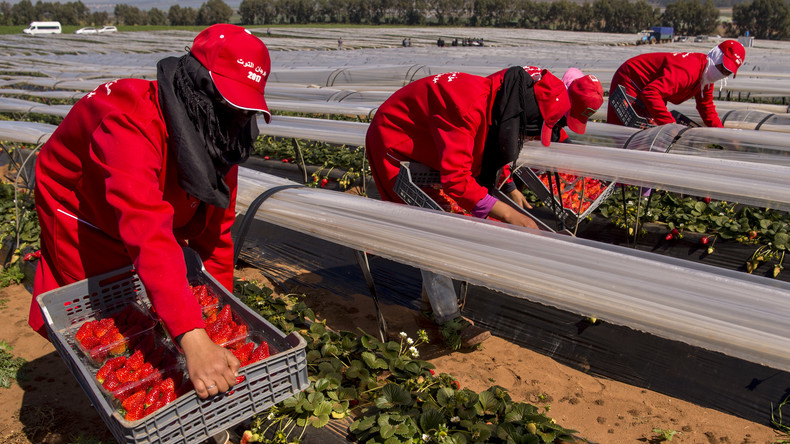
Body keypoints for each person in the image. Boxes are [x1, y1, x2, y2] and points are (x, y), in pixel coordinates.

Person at [29, 24, 271, 401]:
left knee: (160, 299)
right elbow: (146, 230)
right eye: (226, 106)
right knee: (106, 317)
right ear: (195, 87)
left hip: (148, 202)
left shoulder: (219, 134)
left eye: (241, 111)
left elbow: (217, 236)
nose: (233, 120)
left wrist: (215, 316)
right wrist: (193, 336)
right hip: (83, 208)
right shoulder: (127, 119)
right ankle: (116, 397)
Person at [365, 67, 577, 348]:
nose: (529, 138)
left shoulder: (503, 95)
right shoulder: (465, 105)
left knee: (446, 219)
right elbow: (456, 180)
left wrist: (508, 190)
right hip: (397, 147)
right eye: (532, 131)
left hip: (429, 149)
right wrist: (511, 215)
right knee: (433, 228)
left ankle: (430, 309)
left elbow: (493, 145)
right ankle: (448, 320)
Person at [607, 40, 745, 127]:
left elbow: (706, 107)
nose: (721, 73)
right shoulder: (689, 70)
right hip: (631, 79)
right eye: (722, 67)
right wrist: (670, 125)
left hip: (647, 88)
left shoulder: (706, 78)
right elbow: (651, 93)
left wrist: (722, 135)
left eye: (727, 72)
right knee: (625, 132)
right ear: (716, 57)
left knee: (644, 131)